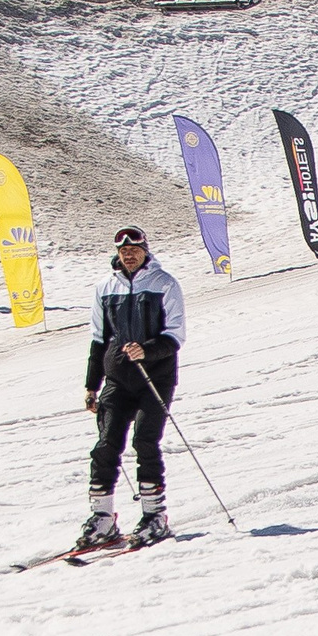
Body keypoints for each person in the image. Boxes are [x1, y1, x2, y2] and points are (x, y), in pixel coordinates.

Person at [80, 227, 186, 551]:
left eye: (134, 249)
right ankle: (102, 518)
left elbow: (175, 335)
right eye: (123, 250)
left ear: (145, 251)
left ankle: (155, 516)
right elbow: (98, 340)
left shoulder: (164, 284)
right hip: (117, 379)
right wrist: (90, 386)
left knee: (144, 441)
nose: (129, 255)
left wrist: (147, 350)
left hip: (154, 377)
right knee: (106, 444)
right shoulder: (105, 287)